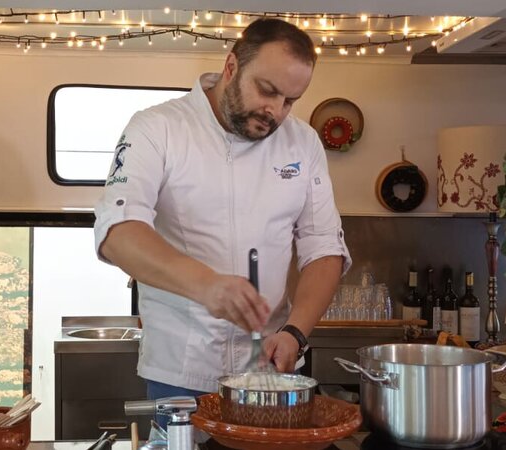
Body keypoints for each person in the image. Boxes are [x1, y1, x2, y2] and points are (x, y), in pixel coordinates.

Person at [93, 18, 351, 405]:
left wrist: (295, 333)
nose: (275, 111)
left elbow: (324, 248)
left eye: (290, 101)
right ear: (231, 66)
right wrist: (207, 285)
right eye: (267, 91)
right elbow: (119, 232)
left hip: (271, 369)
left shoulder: (303, 142)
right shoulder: (157, 128)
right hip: (181, 371)